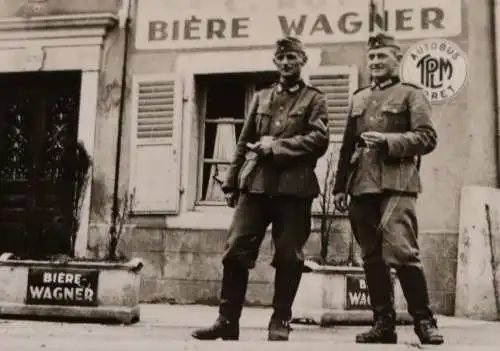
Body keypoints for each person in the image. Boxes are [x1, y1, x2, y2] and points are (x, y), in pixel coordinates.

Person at [191, 36, 329, 342]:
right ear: (275, 62)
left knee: (289, 257)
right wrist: (230, 181)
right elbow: (243, 141)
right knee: (235, 250)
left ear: (302, 60)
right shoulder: (261, 97)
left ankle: (280, 321)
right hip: (255, 187)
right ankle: (227, 321)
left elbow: (319, 141)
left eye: (292, 57)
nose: (286, 63)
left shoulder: (314, 99)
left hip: (294, 190)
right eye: (281, 58)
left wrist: (277, 146)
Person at [332, 33, 444, 345]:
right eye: (372, 58)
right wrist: (340, 188)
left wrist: (390, 142)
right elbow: (346, 147)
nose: (376, 63)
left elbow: (427, 137)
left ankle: (425, 322)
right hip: (362, 186)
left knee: (403, 254)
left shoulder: (412, 95)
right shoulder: (358, 98)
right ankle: (383, 324)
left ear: (397, 59)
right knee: (371, 257)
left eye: (383, 57)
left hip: (398, 185)